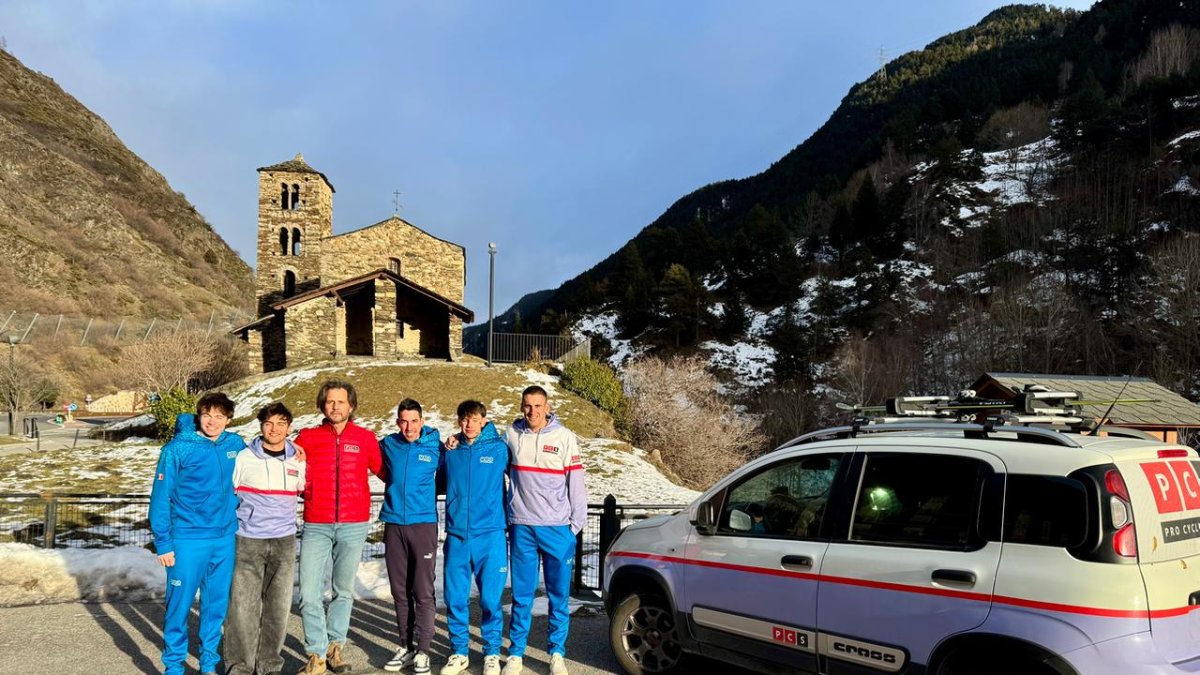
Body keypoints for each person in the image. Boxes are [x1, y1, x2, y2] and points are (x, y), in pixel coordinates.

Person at [149, 392, 244, 675]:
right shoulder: (177, 449)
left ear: (228, 419)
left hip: (224, 538)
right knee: (179, 606)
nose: (212, 422)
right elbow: (160, 497)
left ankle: (208, 664)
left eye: (219, 416)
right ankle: (174, 666)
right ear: (198, 416)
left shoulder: (235, 444)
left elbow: (265, 454)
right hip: (187, 538)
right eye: (207, 415)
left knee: (215, 606)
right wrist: (163, 542)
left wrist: (294, 449)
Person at [295, 380, 383, 675]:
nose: (335, 407)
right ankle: (317, 653)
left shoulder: (365, 438)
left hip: (353, 523)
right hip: (316, 522)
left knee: (343, 591)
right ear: (323, 405)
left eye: (340, 402)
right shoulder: (307, 437)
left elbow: (386, 471)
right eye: (330, 401)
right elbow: (288, 468)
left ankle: (335, 646)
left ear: (351, 405)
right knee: (309, 593)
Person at [503, 386, 587, 675]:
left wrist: (574, 527)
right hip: (523, 527)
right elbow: (486, 446)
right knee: (521, 597)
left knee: (558, 597)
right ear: (521, 406)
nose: (533, 411)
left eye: (538, 405)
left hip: (557, 530)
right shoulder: (510, 435)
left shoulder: (564, 437)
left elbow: (576, 484)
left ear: (547, 406)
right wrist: (454, 440)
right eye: (528, 405)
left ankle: (556, 653)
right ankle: (516, 654)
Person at [225, 402, 307, 675]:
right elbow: (228, 493)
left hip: (284, 540)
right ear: (261, 426)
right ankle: (240, 666)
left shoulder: (298, 460)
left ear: (289, 427)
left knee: (278, 608)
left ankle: (270, 665)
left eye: (281, 424)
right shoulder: (243, 458)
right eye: (269, 423)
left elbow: (303, 489)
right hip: (248, 540)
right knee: (242, 607)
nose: (274, 429)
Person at [440, 400, 509, 675]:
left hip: (490, 535)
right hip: (457, 535)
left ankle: (491, 652)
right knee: (455, 598)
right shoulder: (451, 451)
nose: (468, 424)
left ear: (484, 421)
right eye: (464, 420)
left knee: (491, 599)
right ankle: (459, 652)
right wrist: (447, 443)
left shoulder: (499, 449)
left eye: (474, 419)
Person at [379, 398, 441, 675]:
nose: (409, 427)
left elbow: (449, 475)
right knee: (400, 592)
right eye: (404, 422)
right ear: (397, 423)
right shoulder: (389, 444)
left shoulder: (436, 446)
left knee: (422, 591)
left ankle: (424, 651)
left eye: (414, 421)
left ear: (422, 421)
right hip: (394, 524)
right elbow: (367, 457)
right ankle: (405, 646)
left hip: (423, 524)